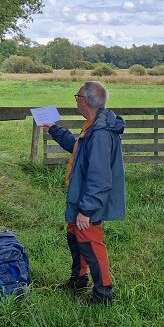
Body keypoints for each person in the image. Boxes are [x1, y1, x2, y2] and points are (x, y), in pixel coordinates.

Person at [43, 81, 126, 305]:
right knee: (75, 235)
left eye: (77, 96)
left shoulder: (100, 132)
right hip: (79, 194)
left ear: (86, 100)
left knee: (90, 240)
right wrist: (54, 129)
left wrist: (87, 210)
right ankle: (79, 279)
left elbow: (100, 177)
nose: (76, 100)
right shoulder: (92, 125)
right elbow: (78, 148)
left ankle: (103, 294)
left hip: (88, 200)